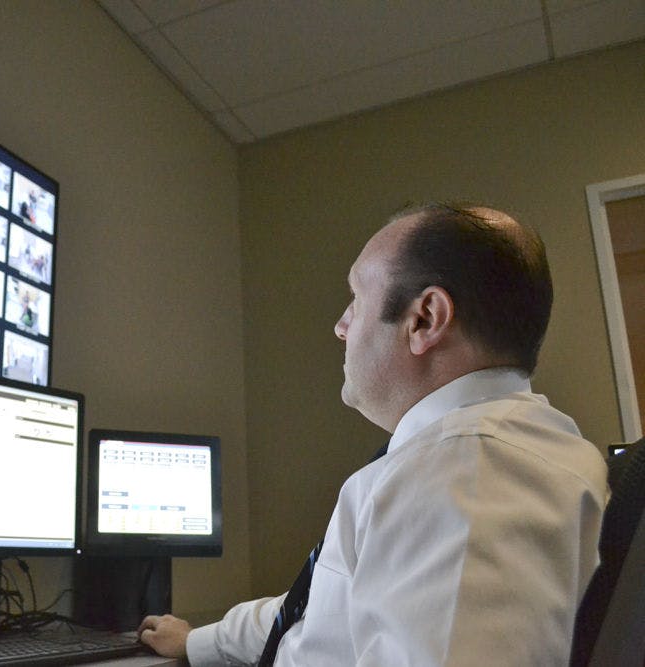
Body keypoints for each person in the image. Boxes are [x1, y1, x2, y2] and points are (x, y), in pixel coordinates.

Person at [138, 203, 608, 666]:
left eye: (356, 299)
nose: (341, 327)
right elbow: (324, 606)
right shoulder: (485, 453)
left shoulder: (466, 471)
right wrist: (200, 641)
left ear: (425, 319)